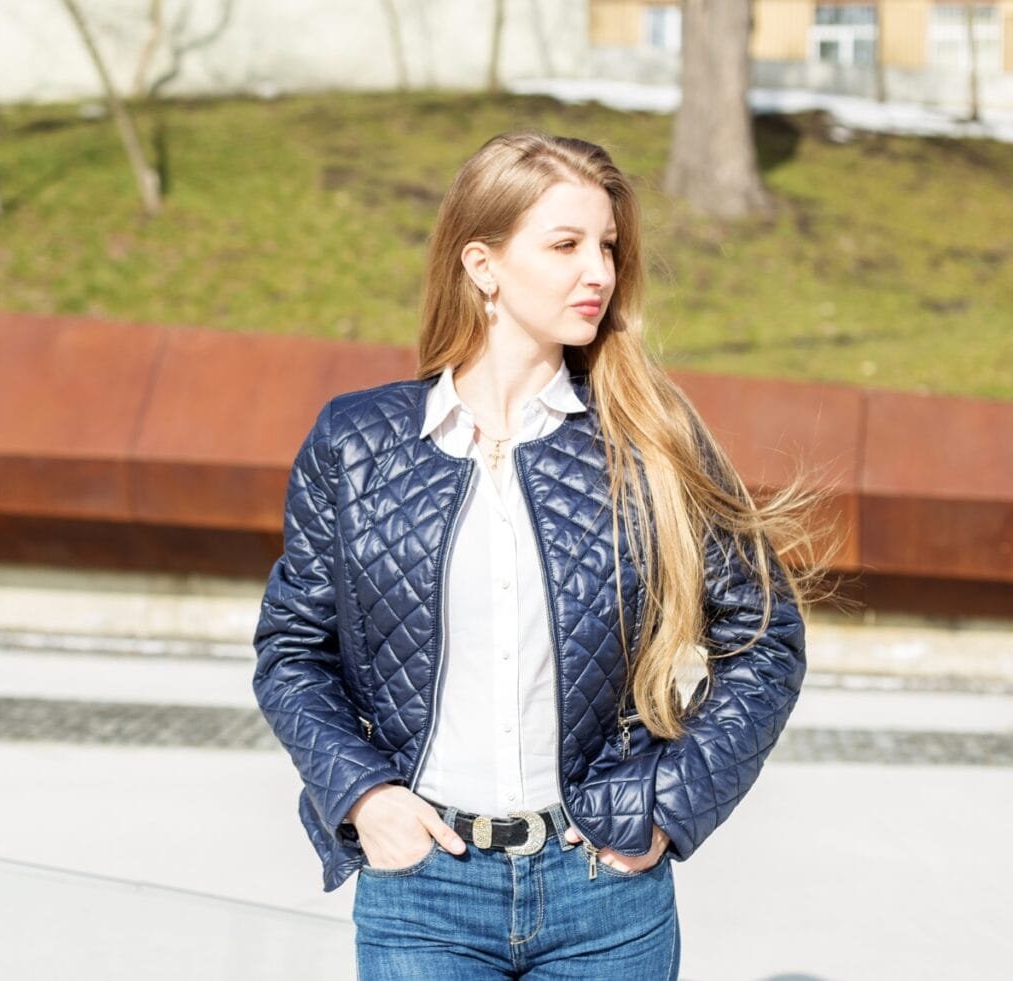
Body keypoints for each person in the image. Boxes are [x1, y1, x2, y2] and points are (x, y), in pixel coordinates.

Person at [253, 132, 815, 979]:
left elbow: (764, 635)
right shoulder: (356, 442)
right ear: (482, 264)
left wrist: (666, 803)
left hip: (605, 896)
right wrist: (364, 796)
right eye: (566, 245)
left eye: (609, 247)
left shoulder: (648, 438)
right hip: (423, 893)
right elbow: (293, 650)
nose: (599, 271)